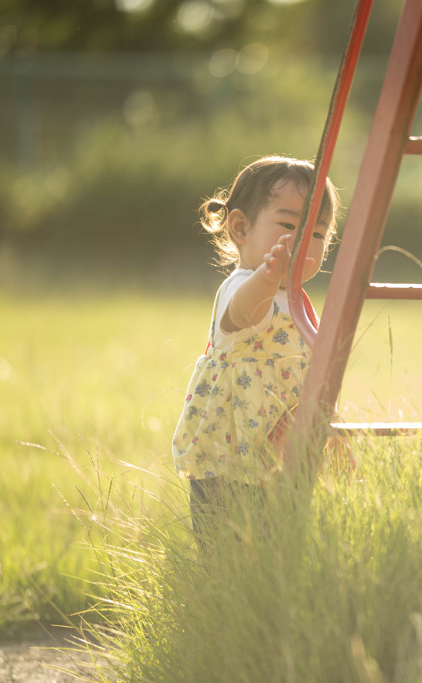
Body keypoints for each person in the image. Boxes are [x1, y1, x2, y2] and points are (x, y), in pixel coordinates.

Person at [171, 155, 345, 539]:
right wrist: (268, 278)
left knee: (281, 542)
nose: (302, 243)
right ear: (240, 227)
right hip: (230, 452)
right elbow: (244, 315)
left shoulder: (297, 299)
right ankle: (224, 594)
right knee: (228, 543)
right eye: (287, 225)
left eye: (317, 234)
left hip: (279, 453)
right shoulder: (243, 285)